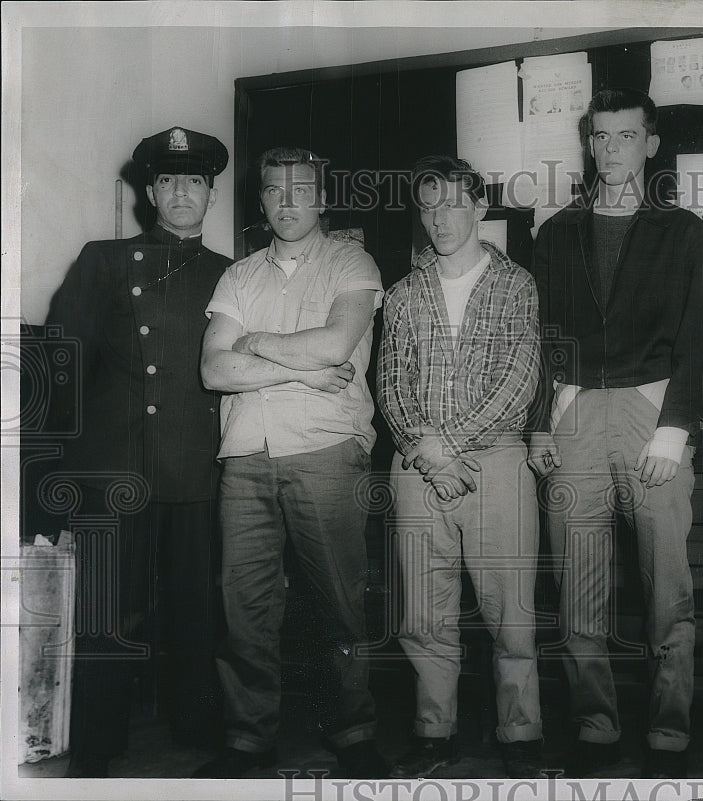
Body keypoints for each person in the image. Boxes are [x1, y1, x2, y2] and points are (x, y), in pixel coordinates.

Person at [528, 88, 703, 778]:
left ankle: (670, 729)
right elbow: (541, 339)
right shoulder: (555, 231)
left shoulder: (685, 231)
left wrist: (675, 431)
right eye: (601, 137)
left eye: (626, 136)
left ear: (651, 143)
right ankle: (595, 725)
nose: (611, 150)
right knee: (577, 588)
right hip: (575, 415)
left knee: (668, 589)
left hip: (651, 414)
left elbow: (700, 341)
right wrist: (539, 423)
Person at [194, 147, 386, 779]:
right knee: (243, 606)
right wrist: (298, 363)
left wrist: (255, 343)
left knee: (338, 601)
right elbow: (214, 370)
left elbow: (336, 344)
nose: (288, 201)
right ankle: (249, 740)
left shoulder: (351, 263)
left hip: (326, 450)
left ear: (321, 198)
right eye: (274, 190)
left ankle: (354, 729)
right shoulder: (238, 277)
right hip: (246, 456)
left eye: (301, 189)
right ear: (261, 201)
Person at [45, 126, 230, 777]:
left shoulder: (231, 275)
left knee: (193, 607)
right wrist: (62, 475)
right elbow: (62, 363)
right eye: (170, 181)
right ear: (151, 191)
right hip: (113, 466)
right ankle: (96, 744)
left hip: (195, 465)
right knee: (106, 614)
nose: (182, 193)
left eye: (195, 182)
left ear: (211, 193)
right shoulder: (103, 260)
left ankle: (197, 727)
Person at [377, 156, 544, 779]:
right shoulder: (402, 293)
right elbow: (390, 384)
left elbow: (518, 382)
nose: (440, 217)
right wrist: (425, 450)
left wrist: (447, 443)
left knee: (511, 613)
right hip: (418, 466)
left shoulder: (515, 284)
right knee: (423, 613)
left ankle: (520, 733)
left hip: (495, 461)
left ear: (480, 208)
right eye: (429, 205)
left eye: (453, 203)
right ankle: (432, 732)